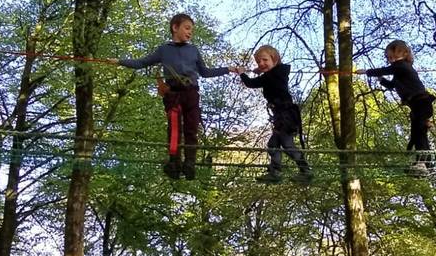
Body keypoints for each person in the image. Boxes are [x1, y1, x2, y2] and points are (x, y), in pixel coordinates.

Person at [105, 13, 238, 180]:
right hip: (173, 95)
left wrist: (228, 69)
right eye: (187, 28)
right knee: (174, 129)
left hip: (191, 93)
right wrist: (119, 61)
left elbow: (205, 72)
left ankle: (190, 162)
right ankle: (174, 162)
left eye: (192, 30)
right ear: (175, 27)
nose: (190, 33)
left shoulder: (193, 50)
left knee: (191, 128)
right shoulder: (164, 50)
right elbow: (141, 63)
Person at [357, 40, 435, 176]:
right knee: (417, 134)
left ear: (402, 53)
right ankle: (424, 164)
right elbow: (392, 85)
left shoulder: (402, 66)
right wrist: (381, 80)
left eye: (391, 56)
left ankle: (424, 163)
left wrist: (366, 72)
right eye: (388, 57)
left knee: (419, 134)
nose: (390, 59)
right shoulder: (399, 70)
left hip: (421, 103)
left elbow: (385, 70)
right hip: (417, 106)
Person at [239, 45, 313, 184]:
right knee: (274, 143)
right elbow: (266, 77)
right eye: (258, 62)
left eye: (265, 60)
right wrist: (262, 70)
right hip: (281, 116)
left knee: (286, 143)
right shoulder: (273, 74)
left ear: (275, 59)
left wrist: (242, 73)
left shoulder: (277, 73)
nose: (261, 64)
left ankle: (304, 170)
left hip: (286, 115)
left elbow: (250, 83)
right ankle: (276, 172)